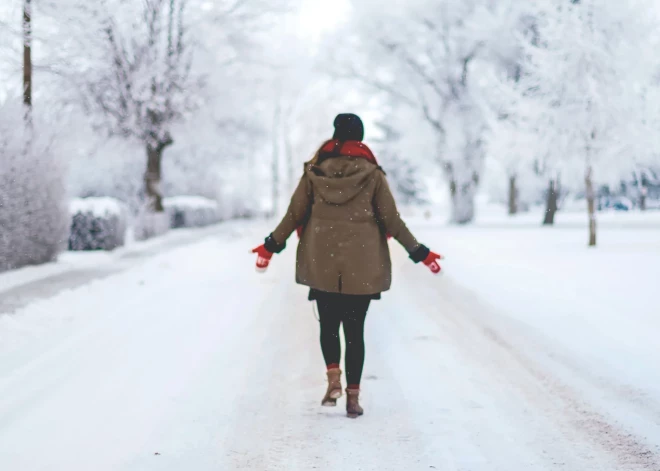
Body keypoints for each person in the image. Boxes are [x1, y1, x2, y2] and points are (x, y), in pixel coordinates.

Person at [252, 113, 442, 419]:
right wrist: (421, 253)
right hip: (362, 264)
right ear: (361, 138)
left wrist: (270, 245)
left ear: (336, 136)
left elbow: (294, 214)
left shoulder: (314, 172)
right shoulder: (373, 175)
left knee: (328, 325)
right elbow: (392, 220)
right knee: (355, 332)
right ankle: (353, 399)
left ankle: (333, 379)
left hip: (321, 261)